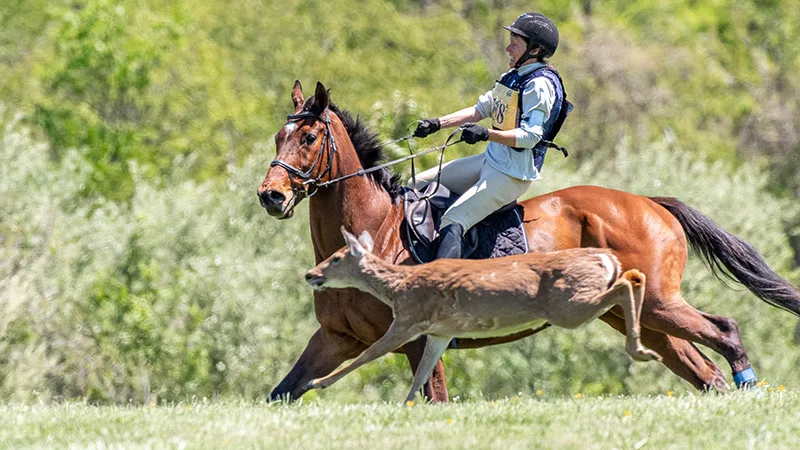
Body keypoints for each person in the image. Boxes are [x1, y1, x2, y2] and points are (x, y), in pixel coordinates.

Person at [411, 12, 572, 260]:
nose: (508, 48)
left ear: (536, 49)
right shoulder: (513, 75)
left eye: (515, 44)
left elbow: (531, 136)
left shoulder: (539, 85)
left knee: (453, 220)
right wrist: (437, 123)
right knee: (415, 185)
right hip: (489, 160)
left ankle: (442, 289)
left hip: (512, 173)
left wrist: (487, 134)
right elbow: (480, 110)